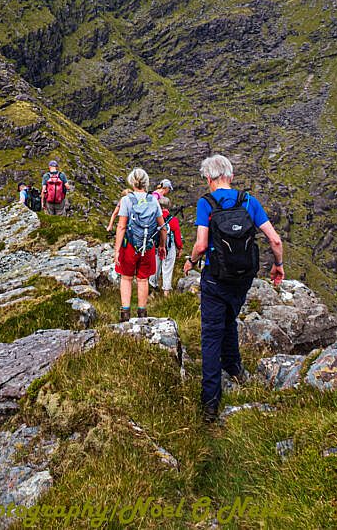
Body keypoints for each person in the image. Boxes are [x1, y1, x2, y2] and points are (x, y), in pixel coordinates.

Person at [182, 154, 284, 423]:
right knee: (230, 319)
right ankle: (234, 367)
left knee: (211, 334)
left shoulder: (207, 203)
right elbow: (274, 239)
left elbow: (202, 244)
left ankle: (210, 403)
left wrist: (191, 261)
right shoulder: (249, 201)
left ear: (208, 178)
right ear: (231, 175)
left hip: (215, 278)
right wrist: (278, 265)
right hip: (242, 278)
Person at [114, 168, 167, 321]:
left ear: (132, 182)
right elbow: (162, 227)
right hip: (148, 247)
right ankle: (142, 314)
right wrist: (162, 246)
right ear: (146, 182)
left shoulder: (126, 200)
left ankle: (125, 315)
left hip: (129, 246)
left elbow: (122, 226)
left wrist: (117, 250)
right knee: (143, 279)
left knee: (126, 278)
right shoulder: (153, 201)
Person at [155, 195, 183, 292]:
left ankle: (152, 288)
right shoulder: (173, 220)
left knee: (155, 268)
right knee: (167, 269)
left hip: (156, 246)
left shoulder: (155, 218)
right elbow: (177, 237)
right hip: (169, 247)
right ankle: (166, 291)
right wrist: (180, 248)